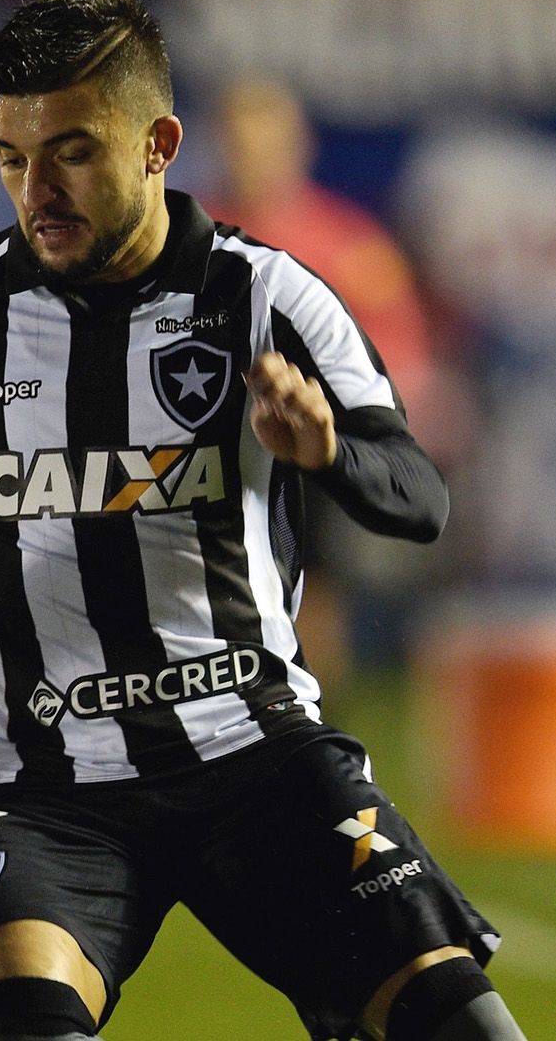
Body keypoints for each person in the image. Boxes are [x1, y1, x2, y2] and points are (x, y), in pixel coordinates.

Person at [0, 0, 523, 1041]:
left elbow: (419, 497)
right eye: (11, 158)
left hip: (258, 760)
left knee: (464, 1026)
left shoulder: (270, 296)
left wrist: (327, 454)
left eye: (72, 153)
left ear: (158, 144)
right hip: (45, 791)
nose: (36, 191)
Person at [205, 74, 461, 688]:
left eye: (264, 140)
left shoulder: (347, 243)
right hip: (203, 443)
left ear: (297, 145)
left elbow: (397, 352)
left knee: (310, 581)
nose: (251, 156)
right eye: (239, 140)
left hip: (303, 447)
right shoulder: (186, 231)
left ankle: (310, 702)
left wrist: (344, 427)